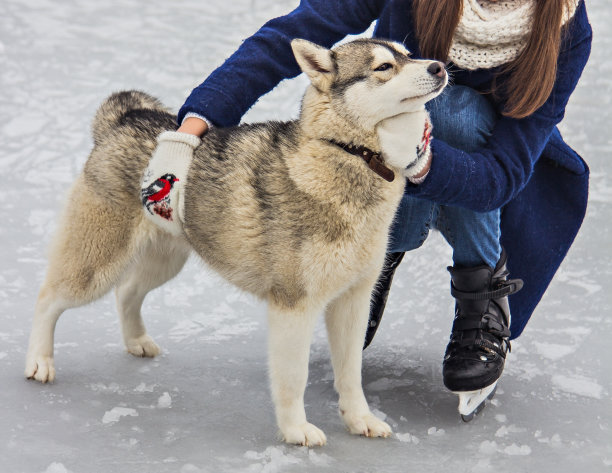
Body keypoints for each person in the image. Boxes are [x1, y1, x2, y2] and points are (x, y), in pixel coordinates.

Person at [150, 0, 592, 418]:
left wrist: (421, 160)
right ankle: (373, 257)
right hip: (378, 151)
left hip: (483, 173)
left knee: (455, 111)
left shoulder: (566, 27)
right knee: (427, 111)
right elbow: (293, 35)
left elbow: (502, 174)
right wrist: (192, 128)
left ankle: (481, 288)